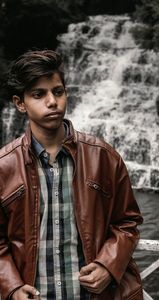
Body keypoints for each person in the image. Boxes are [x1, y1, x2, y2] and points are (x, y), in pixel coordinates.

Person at [0, 50, 143, 300]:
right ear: (19, 103)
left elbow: (127, 222)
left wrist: (108, 265)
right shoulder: (4, 167)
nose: (52, 102)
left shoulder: (103, 157)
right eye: (38, 94)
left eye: (57, 91)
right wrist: (11, 286)